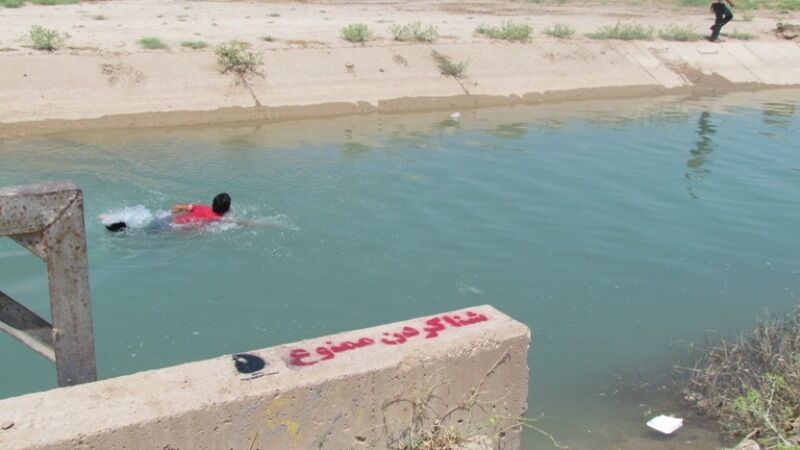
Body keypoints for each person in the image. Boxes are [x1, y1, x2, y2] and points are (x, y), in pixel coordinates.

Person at [105, 193, 232, 232]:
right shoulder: (216, 219)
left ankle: (122, 224)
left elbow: (179, 207)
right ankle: (123, 229)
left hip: (167, 219)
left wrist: (171, 213)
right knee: (146, 233)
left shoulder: (202, 207)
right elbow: (235, 222)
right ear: (226, 209)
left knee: (146, 228)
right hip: (171, 227)